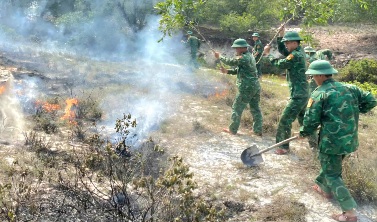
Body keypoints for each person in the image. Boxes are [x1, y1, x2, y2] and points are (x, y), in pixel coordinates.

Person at [299, 60, 377, 222]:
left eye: (313, 75)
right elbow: (371, 100)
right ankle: (324, 189)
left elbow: (311, 121)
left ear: (320, 75)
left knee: (333, 174)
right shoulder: (351, 88)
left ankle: (349, 213)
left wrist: (304, 132)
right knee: (331, 165)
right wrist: (355, 110)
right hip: (349, 139)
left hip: (331, 141)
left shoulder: (319, 93)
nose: (312, 78)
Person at [263, 28, 309, 155]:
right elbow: (283, 51)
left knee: (285, 120)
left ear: (295, 43)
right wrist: (280, 36)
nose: (286, 45)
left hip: (299, 95)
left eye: (288, 43)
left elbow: (280, 64)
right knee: (305, 123)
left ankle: (283, 147)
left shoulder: (296, 55)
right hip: (303, 93)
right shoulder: (299, 51)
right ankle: (316, 147)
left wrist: (268, 55)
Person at [214, 38, 263, 136]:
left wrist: (220, 57)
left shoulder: (243, 57)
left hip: (246, 87)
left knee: (237, 108)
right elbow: (240, 70)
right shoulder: (250, 56)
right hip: (255, 86)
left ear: (241, 48)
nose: (235, 50)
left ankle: (232, 130)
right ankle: (257, 130)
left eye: (236, 48)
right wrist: (227, 71)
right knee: (255, 108)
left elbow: (230, 62)